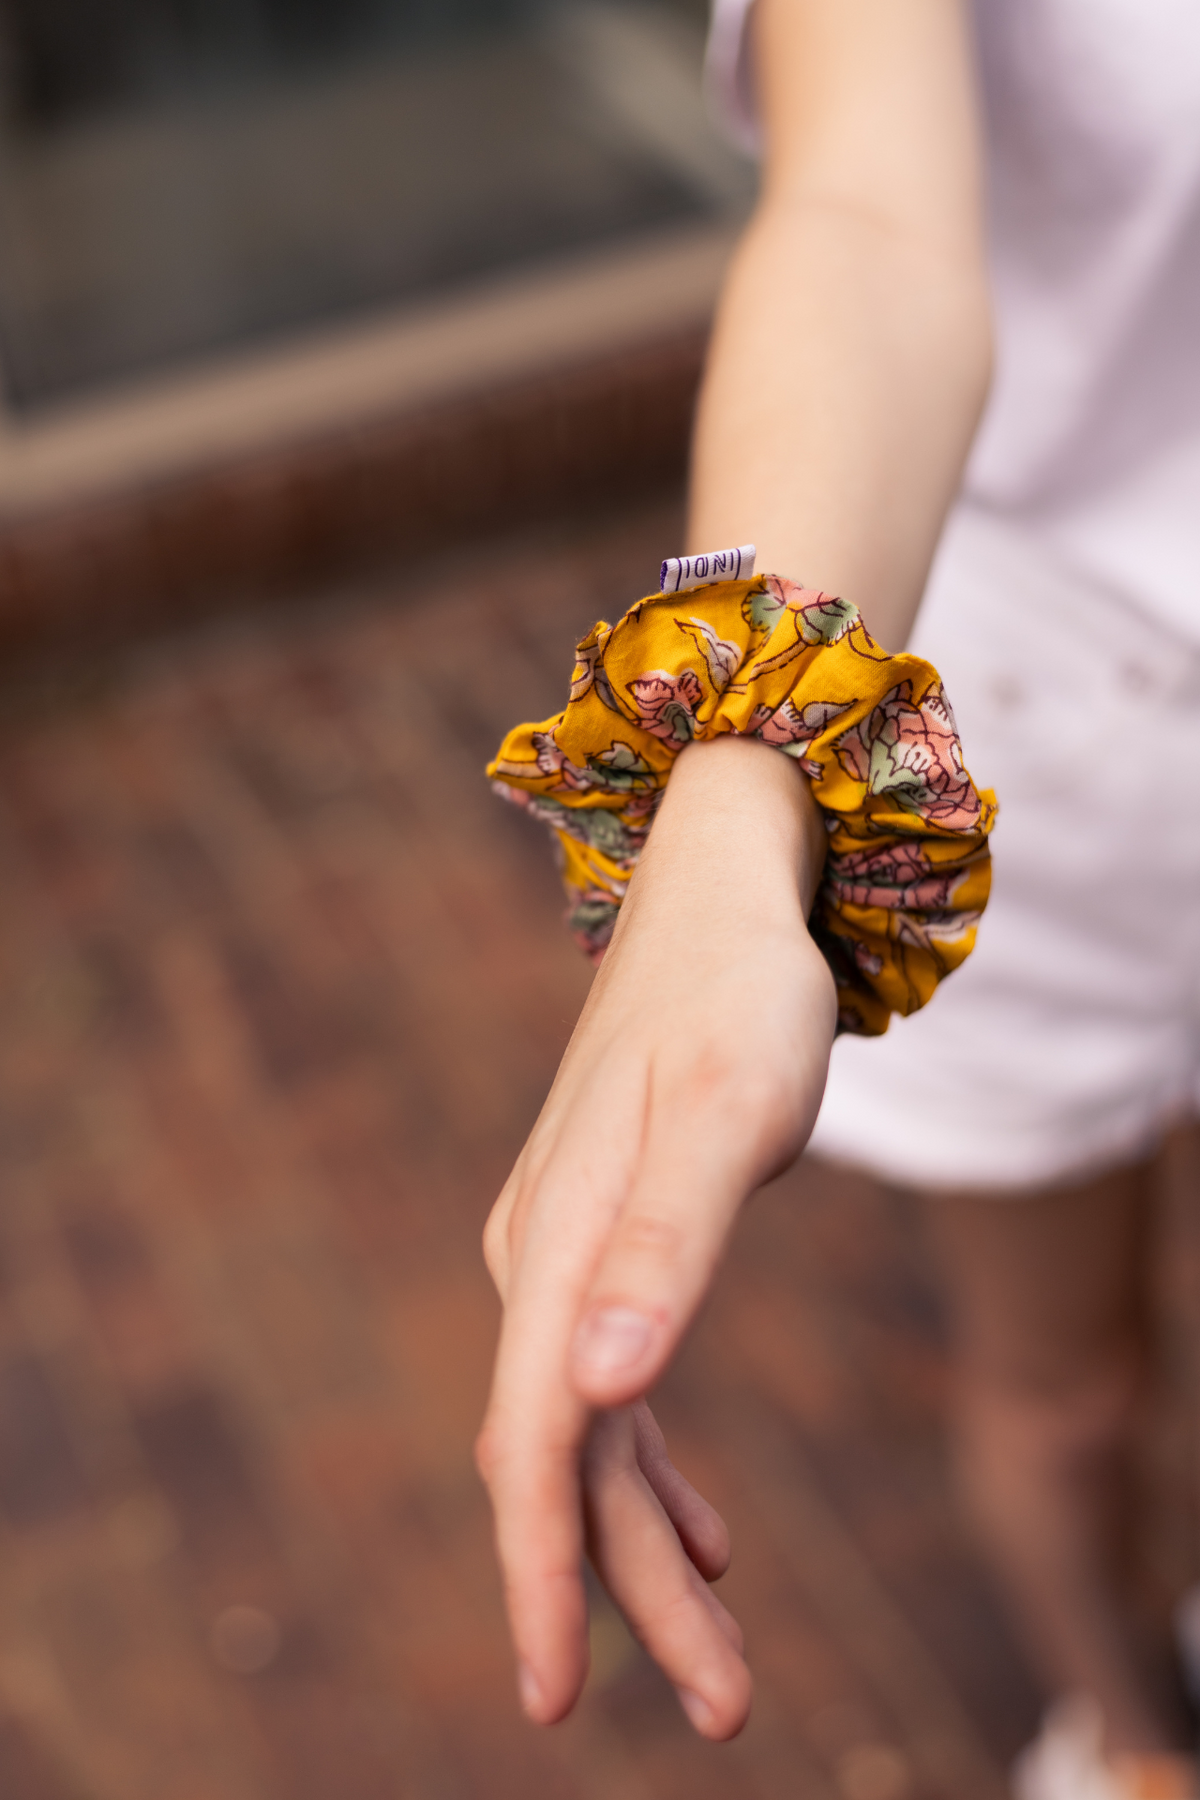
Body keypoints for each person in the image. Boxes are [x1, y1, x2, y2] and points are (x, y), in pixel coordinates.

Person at [474, 2, 1200, 1792]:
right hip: (1040, 747)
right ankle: (1122, 1729)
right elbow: (870, 221)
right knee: (1065, 1381)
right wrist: (736, 802)